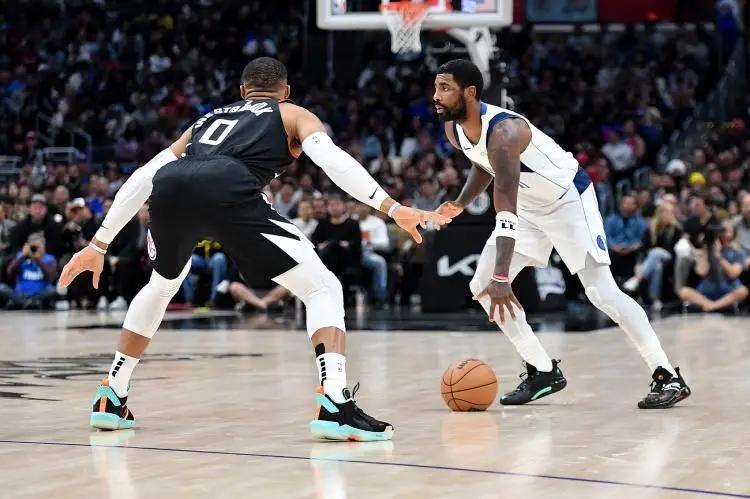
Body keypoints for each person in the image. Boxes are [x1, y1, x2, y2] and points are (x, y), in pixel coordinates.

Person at [59, 57, 448, 440]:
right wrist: (391, 207)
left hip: (171, 187)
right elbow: (332, 160)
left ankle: (112, 395)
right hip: (228, 186)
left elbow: (146, 174)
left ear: (242, 91)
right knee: (322, 288)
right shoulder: (291, 113)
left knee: (162, 286)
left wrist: (98, 243)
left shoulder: (207, 119)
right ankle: (335, 403)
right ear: (286, 91)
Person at [433, 59, 689, 409]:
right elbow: (483, 164)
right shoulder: (454, 128)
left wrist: (502, 276)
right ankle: (542, 371)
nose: (436, 96)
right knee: (482, 286)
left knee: (601, 292)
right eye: (436, 88)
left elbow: (505, 206)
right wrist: (461, 202)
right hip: (530, 206)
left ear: (470, 92)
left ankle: (667, 376)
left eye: (445, 88)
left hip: (567, 200)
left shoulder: (505, 133)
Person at [622, 201, 683, 311]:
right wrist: (639, 263)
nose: (667, 214)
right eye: (665, 212)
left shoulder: (677, 230)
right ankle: (655, 300)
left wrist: (655, 253)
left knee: (656, 252)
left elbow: (676, 250)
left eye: (670, 212)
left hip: (670, 260)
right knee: (657, 267)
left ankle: (637, 279)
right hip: (653, 262)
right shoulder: (651, 229)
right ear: (659, 213)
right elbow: (642, 249)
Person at [678, 221, 748, 311]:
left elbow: (733, 273)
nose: (723, 234)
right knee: (684, 292)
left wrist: (719, 256)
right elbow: (701, 272)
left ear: (733, 234)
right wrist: (706, 249)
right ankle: (714, 305)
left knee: (743, 291)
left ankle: (711, 306)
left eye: (726, 231)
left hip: (728, 289)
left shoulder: (737, 252)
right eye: (721, 231)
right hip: (707, 290)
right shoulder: (708, 249)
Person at [311, 195, 362, 298]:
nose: (334, 207)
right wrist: (321, 245)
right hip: (329, 258)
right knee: (331, 247)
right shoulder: (323, 223)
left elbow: (357, 244)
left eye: (337, 204)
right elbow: (314, 241)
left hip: (346, 257)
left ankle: (316, 269)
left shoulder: (352, 223)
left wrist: (345, 244)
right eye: (331, 205)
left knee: (333, 244)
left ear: (344, 206)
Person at [0, 233, 57, 309]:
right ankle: (30, 303)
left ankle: (25, 303)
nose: (35, 249)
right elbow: (9, 273)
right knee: (2, 288)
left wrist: (38, 260)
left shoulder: (49, 258)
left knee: (52, 290)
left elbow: (50, 276)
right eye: (33, 247)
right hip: (21, 294)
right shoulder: (20, 256)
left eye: (39, 246)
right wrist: (23, 256)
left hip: (39, 294)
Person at [605, 195, 647, 282]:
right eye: (626, 203)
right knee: (608, 256)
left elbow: (642, 239)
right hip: (614, 250)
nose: (628, 205)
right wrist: (614, 247)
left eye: (631, 203)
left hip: (632, 251)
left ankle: (630, 284)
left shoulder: (640, 222)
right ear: (621, 205)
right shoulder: (612, 220)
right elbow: (607, 237)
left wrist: (631, 247)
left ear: (635, 206)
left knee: (638, 256)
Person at [355, 203, 390, 305]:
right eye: (359, 205)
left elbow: (384, 243)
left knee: (380, 262)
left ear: (369, 208)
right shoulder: (351, 221)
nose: (362, 209)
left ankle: (380, 296)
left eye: (364, 206)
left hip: (366, 252)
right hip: (350, 252)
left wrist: (369, 243)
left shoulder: (377, 222)